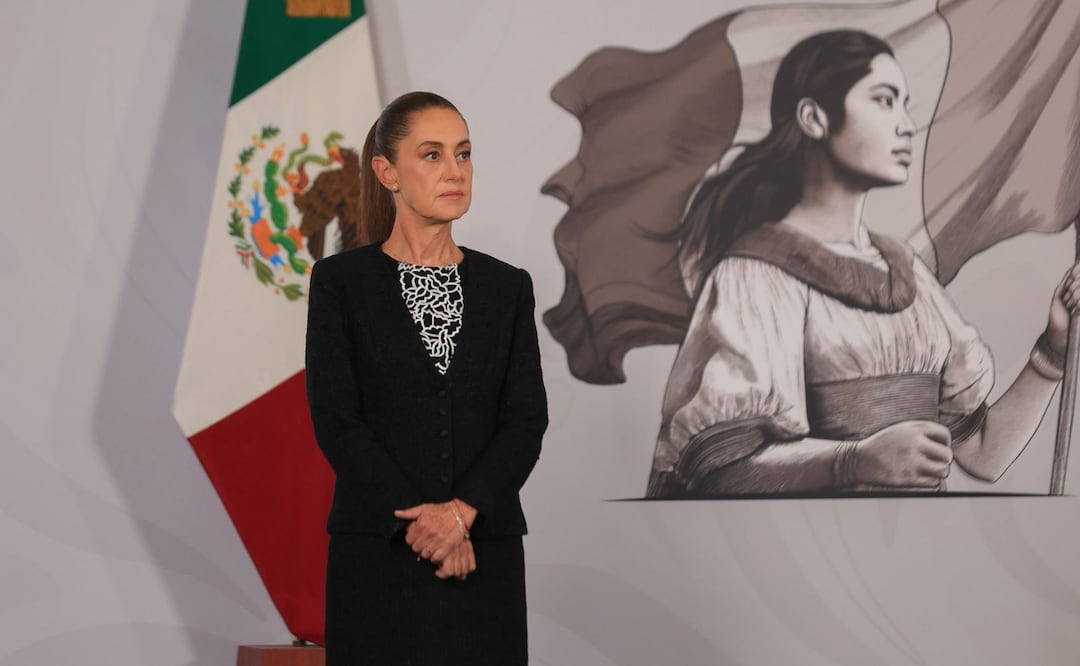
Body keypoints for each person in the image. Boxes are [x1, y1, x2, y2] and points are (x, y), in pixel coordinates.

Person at [646, 30, 1080, 497]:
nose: (906, 125)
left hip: (916, 554)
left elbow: (983, 453)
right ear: (814, 117)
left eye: (904, 103)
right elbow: (721, 473)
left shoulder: (907, 272)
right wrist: (854, 462)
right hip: (816, 559)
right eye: (884, 100)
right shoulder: (755, 275)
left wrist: (1054, 347)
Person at [305, 91, 548, 664]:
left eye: (463, 155)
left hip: (483, 557)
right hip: (377, 560)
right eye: (433, 155)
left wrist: (461, 517)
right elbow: (339, 420)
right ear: (387, 171)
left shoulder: (507, 287)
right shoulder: (340, 283)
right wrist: (426, 528)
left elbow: (525, 421)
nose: (455, 171)